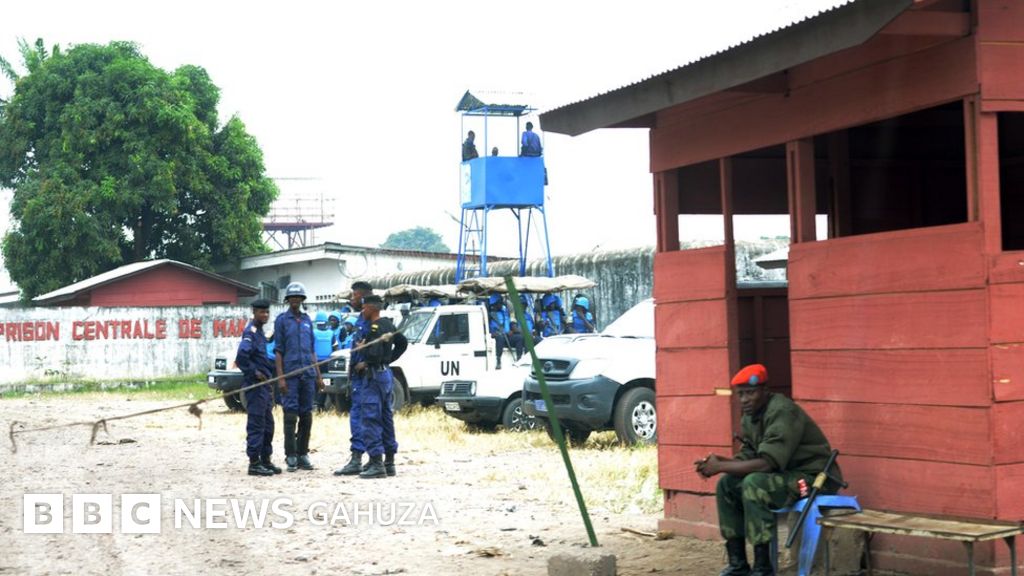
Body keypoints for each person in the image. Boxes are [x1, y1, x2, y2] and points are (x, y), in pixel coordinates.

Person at [695, 364, 844, 576]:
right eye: (741, 394)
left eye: (750, 393)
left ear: (765, 390)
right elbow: (750, 455)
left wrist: (720, 466)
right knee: (726, 484)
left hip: (813, 478)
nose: (744, 400)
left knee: (754, 483)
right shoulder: (751, 416)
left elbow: (767, 463)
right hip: (785, 475)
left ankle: (763, 568)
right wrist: (721, 462)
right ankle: (738, 565)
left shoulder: (782, 411)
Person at [354, 295, 408, 478]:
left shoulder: (375, 327)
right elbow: (402, 343)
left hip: (374, 376)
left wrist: (365, 355)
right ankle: (389, 462)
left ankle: (376, 462)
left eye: (364, 308)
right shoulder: (388, 324)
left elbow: (374, 354)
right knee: (386, 418)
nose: (363, 311)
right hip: (385, 375)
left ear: (371, 308)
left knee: (371, 418)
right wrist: (389, 360)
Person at [273, 282, 324, 472]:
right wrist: (281, 378)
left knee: (306, 415)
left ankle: (303, 453)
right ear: (288, 300)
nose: (295, 300)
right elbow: (279, 351)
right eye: (292, 298)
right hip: (290, 376)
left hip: (308, 376)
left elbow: (312, 351)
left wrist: (318, 376)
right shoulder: (281, 321)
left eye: (298, 297)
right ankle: (291, 455)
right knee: (290, 415)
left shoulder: (307, 320)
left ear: (302, 300)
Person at [235, 298, 280, 477]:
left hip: (264, 386)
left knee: (268, 425)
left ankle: (265, 460)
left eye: (267, 312)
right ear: (254, 312)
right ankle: (254, 463)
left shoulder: (260, 332)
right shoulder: (251, 332)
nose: (265, 315)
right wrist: (254, 372)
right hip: (255, 386)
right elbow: (241, 357)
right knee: (257, 424)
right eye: (261, 312)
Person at [335, 281, 374, 476]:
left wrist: (367, 363)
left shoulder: (373, 321)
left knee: (361, 417)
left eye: (354, 295)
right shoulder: (360, 319)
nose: (351, 299)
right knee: (360, 416)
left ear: (363, 297)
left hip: (368, 378)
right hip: (357, 378)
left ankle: (359, 458)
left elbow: (383, 348)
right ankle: (369, 458)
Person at [313, 311, 334, 411]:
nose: (321, 325)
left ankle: (320, 404)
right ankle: (317, 404)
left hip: (325, 363)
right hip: (317, 363)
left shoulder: (331, 333)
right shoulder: (314, 333)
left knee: (325, 383)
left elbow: (335, 347)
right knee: (319, 383)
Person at [487, 294, 512, 369]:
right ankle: (498, 360)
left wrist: (510, 331)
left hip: (506, 335)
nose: (501, 304)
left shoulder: (504, 312)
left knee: (519, 338)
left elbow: (510, 311)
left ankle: (519, 359)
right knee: (500, 338)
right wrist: (491, 333)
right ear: (495, 304)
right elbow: (485, 328)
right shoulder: (489, 315)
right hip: (496, 336)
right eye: (500, 302)